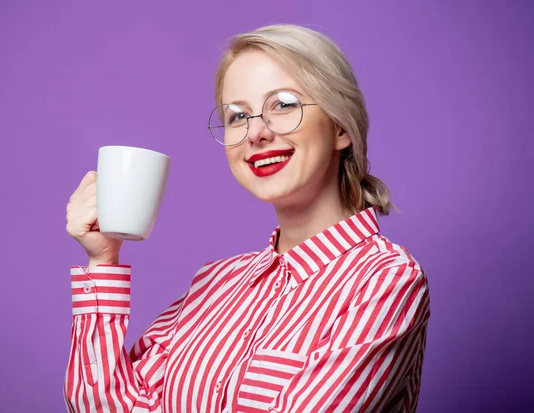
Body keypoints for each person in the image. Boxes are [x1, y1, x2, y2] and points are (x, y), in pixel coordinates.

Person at [64, 24, 430, 413]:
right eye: (237, 116)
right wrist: (103, 262)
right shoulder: (214, 282)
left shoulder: (385, 281)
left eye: (284, 104)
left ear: (341, 127)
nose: (255, 132)